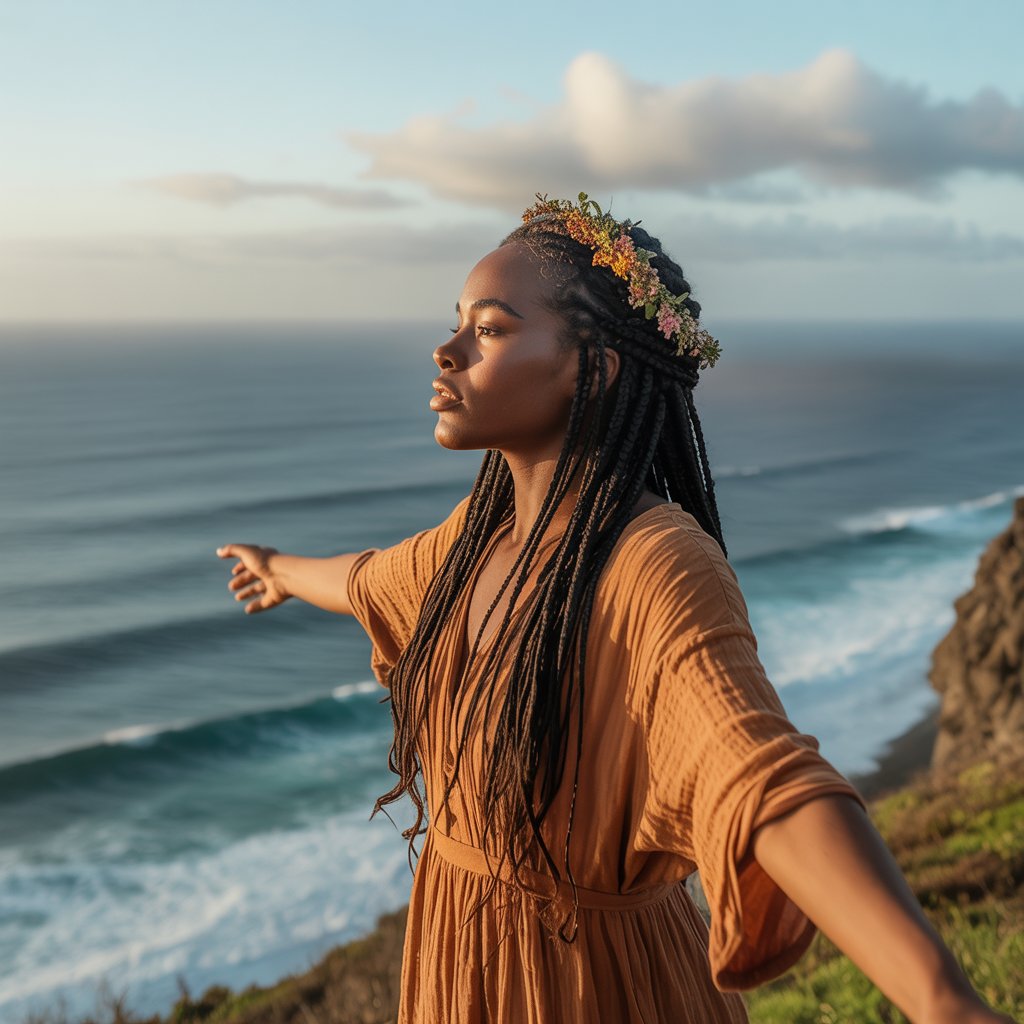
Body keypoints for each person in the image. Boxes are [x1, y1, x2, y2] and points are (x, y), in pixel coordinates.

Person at [216, 194, 1014, 1023]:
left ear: (592, 369)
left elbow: (759, 773)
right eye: (456, 323)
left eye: (487, 330)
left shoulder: (651, 562)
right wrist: (278, 569)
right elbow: (370, 580)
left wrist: (940, 999)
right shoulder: (474, 544)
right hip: (460, 977)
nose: (445, 350)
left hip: (598, 991)